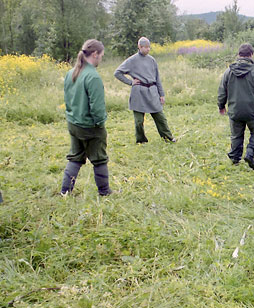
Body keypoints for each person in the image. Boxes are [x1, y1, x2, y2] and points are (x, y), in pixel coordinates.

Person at [60, 39, 112, 196]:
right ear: (95, 54)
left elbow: (68, 100)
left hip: (73, 123)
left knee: (75, 158)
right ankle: (104, 192)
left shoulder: (71, 73)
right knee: (99, 159)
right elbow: (97, 108)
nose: (101, 59)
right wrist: (100, 123)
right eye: (101, 55)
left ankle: (65, 192)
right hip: (90, 127)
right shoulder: (93, 77)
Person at [218, 43, 254, 169]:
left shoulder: (228, 72)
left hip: (235, 111)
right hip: (253, 112)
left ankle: (235, 160)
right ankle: (250, 152)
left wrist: (221, 105)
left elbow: (222, 91)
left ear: (238, 54)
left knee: (236, 135)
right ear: (251, 55)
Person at [114, 37, 176, 144]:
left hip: (152, 91)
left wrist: (161, 94)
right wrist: (130, 82)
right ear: (140, 47)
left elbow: (157, 79)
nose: (148, 49)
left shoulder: (152, 60)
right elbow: (117, 73)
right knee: (139, 121)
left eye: (149, 47)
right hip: (138, 92)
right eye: (146, 47)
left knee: (160, 117)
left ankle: (168, 137)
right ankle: (141, 140)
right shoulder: (131, 60)